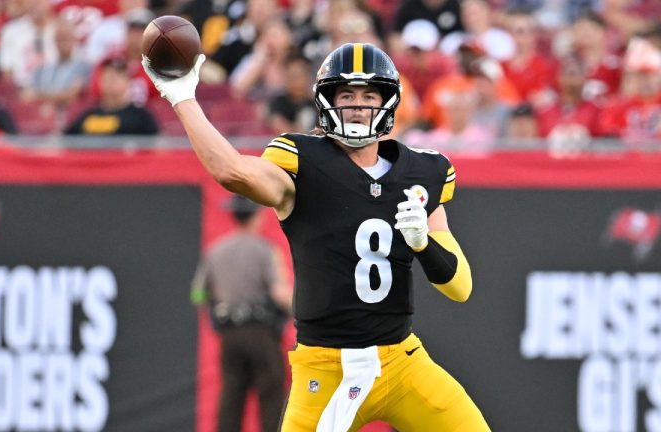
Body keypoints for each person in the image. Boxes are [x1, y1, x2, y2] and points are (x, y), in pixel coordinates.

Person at [142, 42, 490, 431]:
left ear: (389, 101)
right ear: (327, 101)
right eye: (346, 94)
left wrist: (424, 243)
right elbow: (234, 173)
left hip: (403, 362)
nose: (358, 105)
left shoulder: (423, 172)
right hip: (327, 368)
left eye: (369, 94)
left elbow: (460, 287)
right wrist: (183, 98)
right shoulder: (301, 160)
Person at [191, 194, 291, 432]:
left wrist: (219, 306)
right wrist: (299, 310)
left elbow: (198, 294)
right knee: (272, 398)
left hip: (230, 335)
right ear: (258, 215)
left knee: (231, 399)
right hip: (261, 334)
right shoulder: (265, 251)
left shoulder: (215, 251)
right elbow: (279, 294)